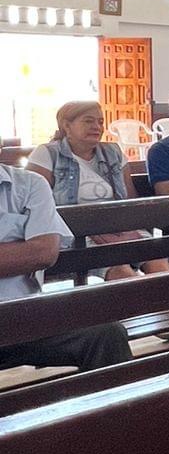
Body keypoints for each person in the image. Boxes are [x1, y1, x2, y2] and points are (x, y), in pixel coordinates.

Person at [0, 158, 132, 373]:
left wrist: (31, 251)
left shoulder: (29, 184)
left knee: (105, 333)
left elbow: (44, 252)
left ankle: (118, 396)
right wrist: (19, 250)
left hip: (23, 316)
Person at [29, 101, 169, 282]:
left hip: (118, 228)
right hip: (73, 234)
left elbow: (130, 199)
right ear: (67, 125)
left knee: (158, 262)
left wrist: (124, 229)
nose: (97, 126)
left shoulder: (113, 152)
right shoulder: (47, 154)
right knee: (121, 271)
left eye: (100, 122)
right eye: (88, 121)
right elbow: (38, 208)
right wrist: (92, 230)